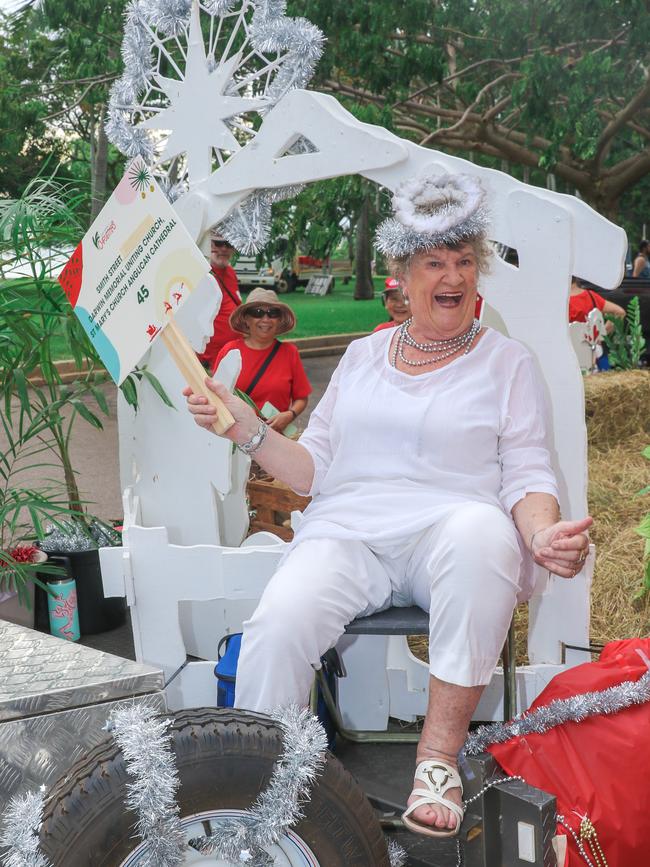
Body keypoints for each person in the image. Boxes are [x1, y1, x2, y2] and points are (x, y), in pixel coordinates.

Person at [185, 172, 592, 839]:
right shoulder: (363, 356)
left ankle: (437, 759)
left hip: (450, 534)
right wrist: (245, 427)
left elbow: (527, 470)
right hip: (349, 532)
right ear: (402, 273)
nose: (452, 275)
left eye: (463, 261)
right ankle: (261, 790)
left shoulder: (506, 362)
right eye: (434, 261)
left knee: (485, 533)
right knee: (278, 622)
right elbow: (312, 470)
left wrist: (543, 535)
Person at [212, 287, 311, 434]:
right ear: (246, 318)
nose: (266, 319)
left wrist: (290, 415)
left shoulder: (290, 353)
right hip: (236, 438)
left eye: (273, 313)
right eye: (257, 313)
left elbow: (301, 398)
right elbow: (215, 395)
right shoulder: (230, 352)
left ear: (278, 320)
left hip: (275, 438)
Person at [198, 231, 242, 370]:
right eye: (218, 243)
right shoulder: (202, 276)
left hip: (230, 356)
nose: (223, 249)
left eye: (228, 244)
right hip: (208, 360)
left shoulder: (231, 273)